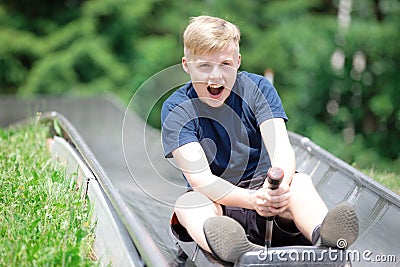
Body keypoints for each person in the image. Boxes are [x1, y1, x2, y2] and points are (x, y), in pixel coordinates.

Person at [161, 15, 358, 263]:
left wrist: (275, 190)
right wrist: (251, 201)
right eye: (204, 66)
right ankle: (234, 248)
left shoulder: (258, 89)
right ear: (186, 65)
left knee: (300, 183)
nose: (216, 76)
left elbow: (282, 151)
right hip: (219, 205)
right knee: (189, 203)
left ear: (238, 62)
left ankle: (326, 240)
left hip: (266, 196)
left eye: (225, 64)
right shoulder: (177, 108)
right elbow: (201, 179)